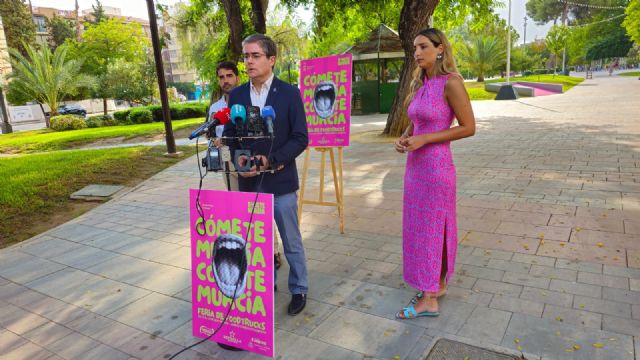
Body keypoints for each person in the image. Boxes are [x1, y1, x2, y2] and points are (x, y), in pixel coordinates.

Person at [223, 33, 309, 316]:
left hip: (281, 182)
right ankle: (263, 285)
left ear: (271, 60)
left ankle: (298, 288)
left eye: (255, 55)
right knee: (258, 241)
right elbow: (231, 135)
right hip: (250, 183)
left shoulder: (289, 93)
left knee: (290, 240)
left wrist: (271, 160)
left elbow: (300, 138)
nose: (248, 61)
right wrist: (240, 161)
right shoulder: (236, 95)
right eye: (246, 56)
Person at [394, 28, 475, 320]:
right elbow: (417, 123)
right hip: (415, 167)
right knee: (421, 228)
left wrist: (425, 140)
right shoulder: (422, 84)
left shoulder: (450, 83)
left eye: (423, 47)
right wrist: (405, 137)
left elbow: (468, 127)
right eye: (415, 48)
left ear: (440, 49)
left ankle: (428, 300)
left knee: (432, 229)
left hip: (437, 168)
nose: (417, 53)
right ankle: (436, 285)